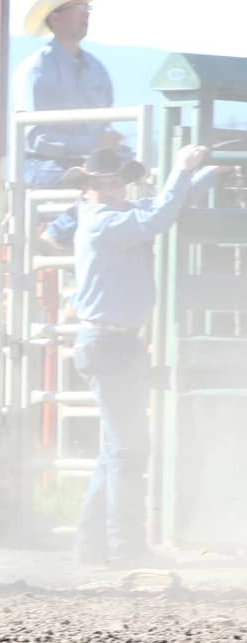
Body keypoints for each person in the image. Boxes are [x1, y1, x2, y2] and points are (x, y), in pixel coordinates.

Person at [63, 143, 213, 569]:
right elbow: (159, 216)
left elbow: (165, 207)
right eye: (101, 184)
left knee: (118, 447)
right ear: (87, 190)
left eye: (114, 183)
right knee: (128, 448)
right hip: (108, 343)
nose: (109, 190)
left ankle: (93, 548)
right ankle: (121, 548)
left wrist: (205, 173)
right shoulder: (103, 223)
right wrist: (184, 169)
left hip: (116, 342)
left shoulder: (111, 218)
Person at [13, 0, 127, 188]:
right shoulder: (36, 70)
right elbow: (36, 139)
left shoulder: (96, 69)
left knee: (131, 170)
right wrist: (93, 144)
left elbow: (103, 125)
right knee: (94, 180)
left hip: (87, 161)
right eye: (78, 8)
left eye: (87, 7)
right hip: (44, 164)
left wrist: (110, 143)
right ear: (55, 18)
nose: (86, 14)